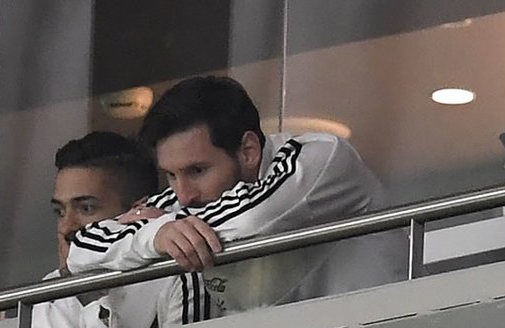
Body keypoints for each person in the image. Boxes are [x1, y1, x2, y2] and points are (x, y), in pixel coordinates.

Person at [66, 76, 407, 314]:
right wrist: (156, 234)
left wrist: (162, 228)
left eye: (197, 171)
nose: (183, 194)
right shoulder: (187, 201)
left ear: (248, 151)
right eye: (170, 175)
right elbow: (80, 253)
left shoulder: (320, 158)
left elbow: (250, 220)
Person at [30, 131, 212, 328]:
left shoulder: (177, 271)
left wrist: (95, 305)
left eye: (86, 208)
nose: (66, 227)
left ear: (138, 212)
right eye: (59, 212)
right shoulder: (49, 292)